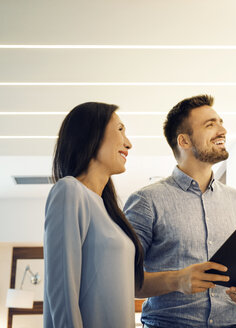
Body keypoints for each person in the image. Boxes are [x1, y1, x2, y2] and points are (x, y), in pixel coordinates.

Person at [124, 95, 236, 328]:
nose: (222, 130)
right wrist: (177, 280)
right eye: (210, 125)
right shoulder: (146, 201)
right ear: (184, 141)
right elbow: (125, 280)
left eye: (220, 122)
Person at [43, 102, 144, 328]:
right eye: (120, 130)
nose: (128, 142)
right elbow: (62, 293)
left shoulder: (108, 212)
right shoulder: (69, 191)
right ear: (92, 134)